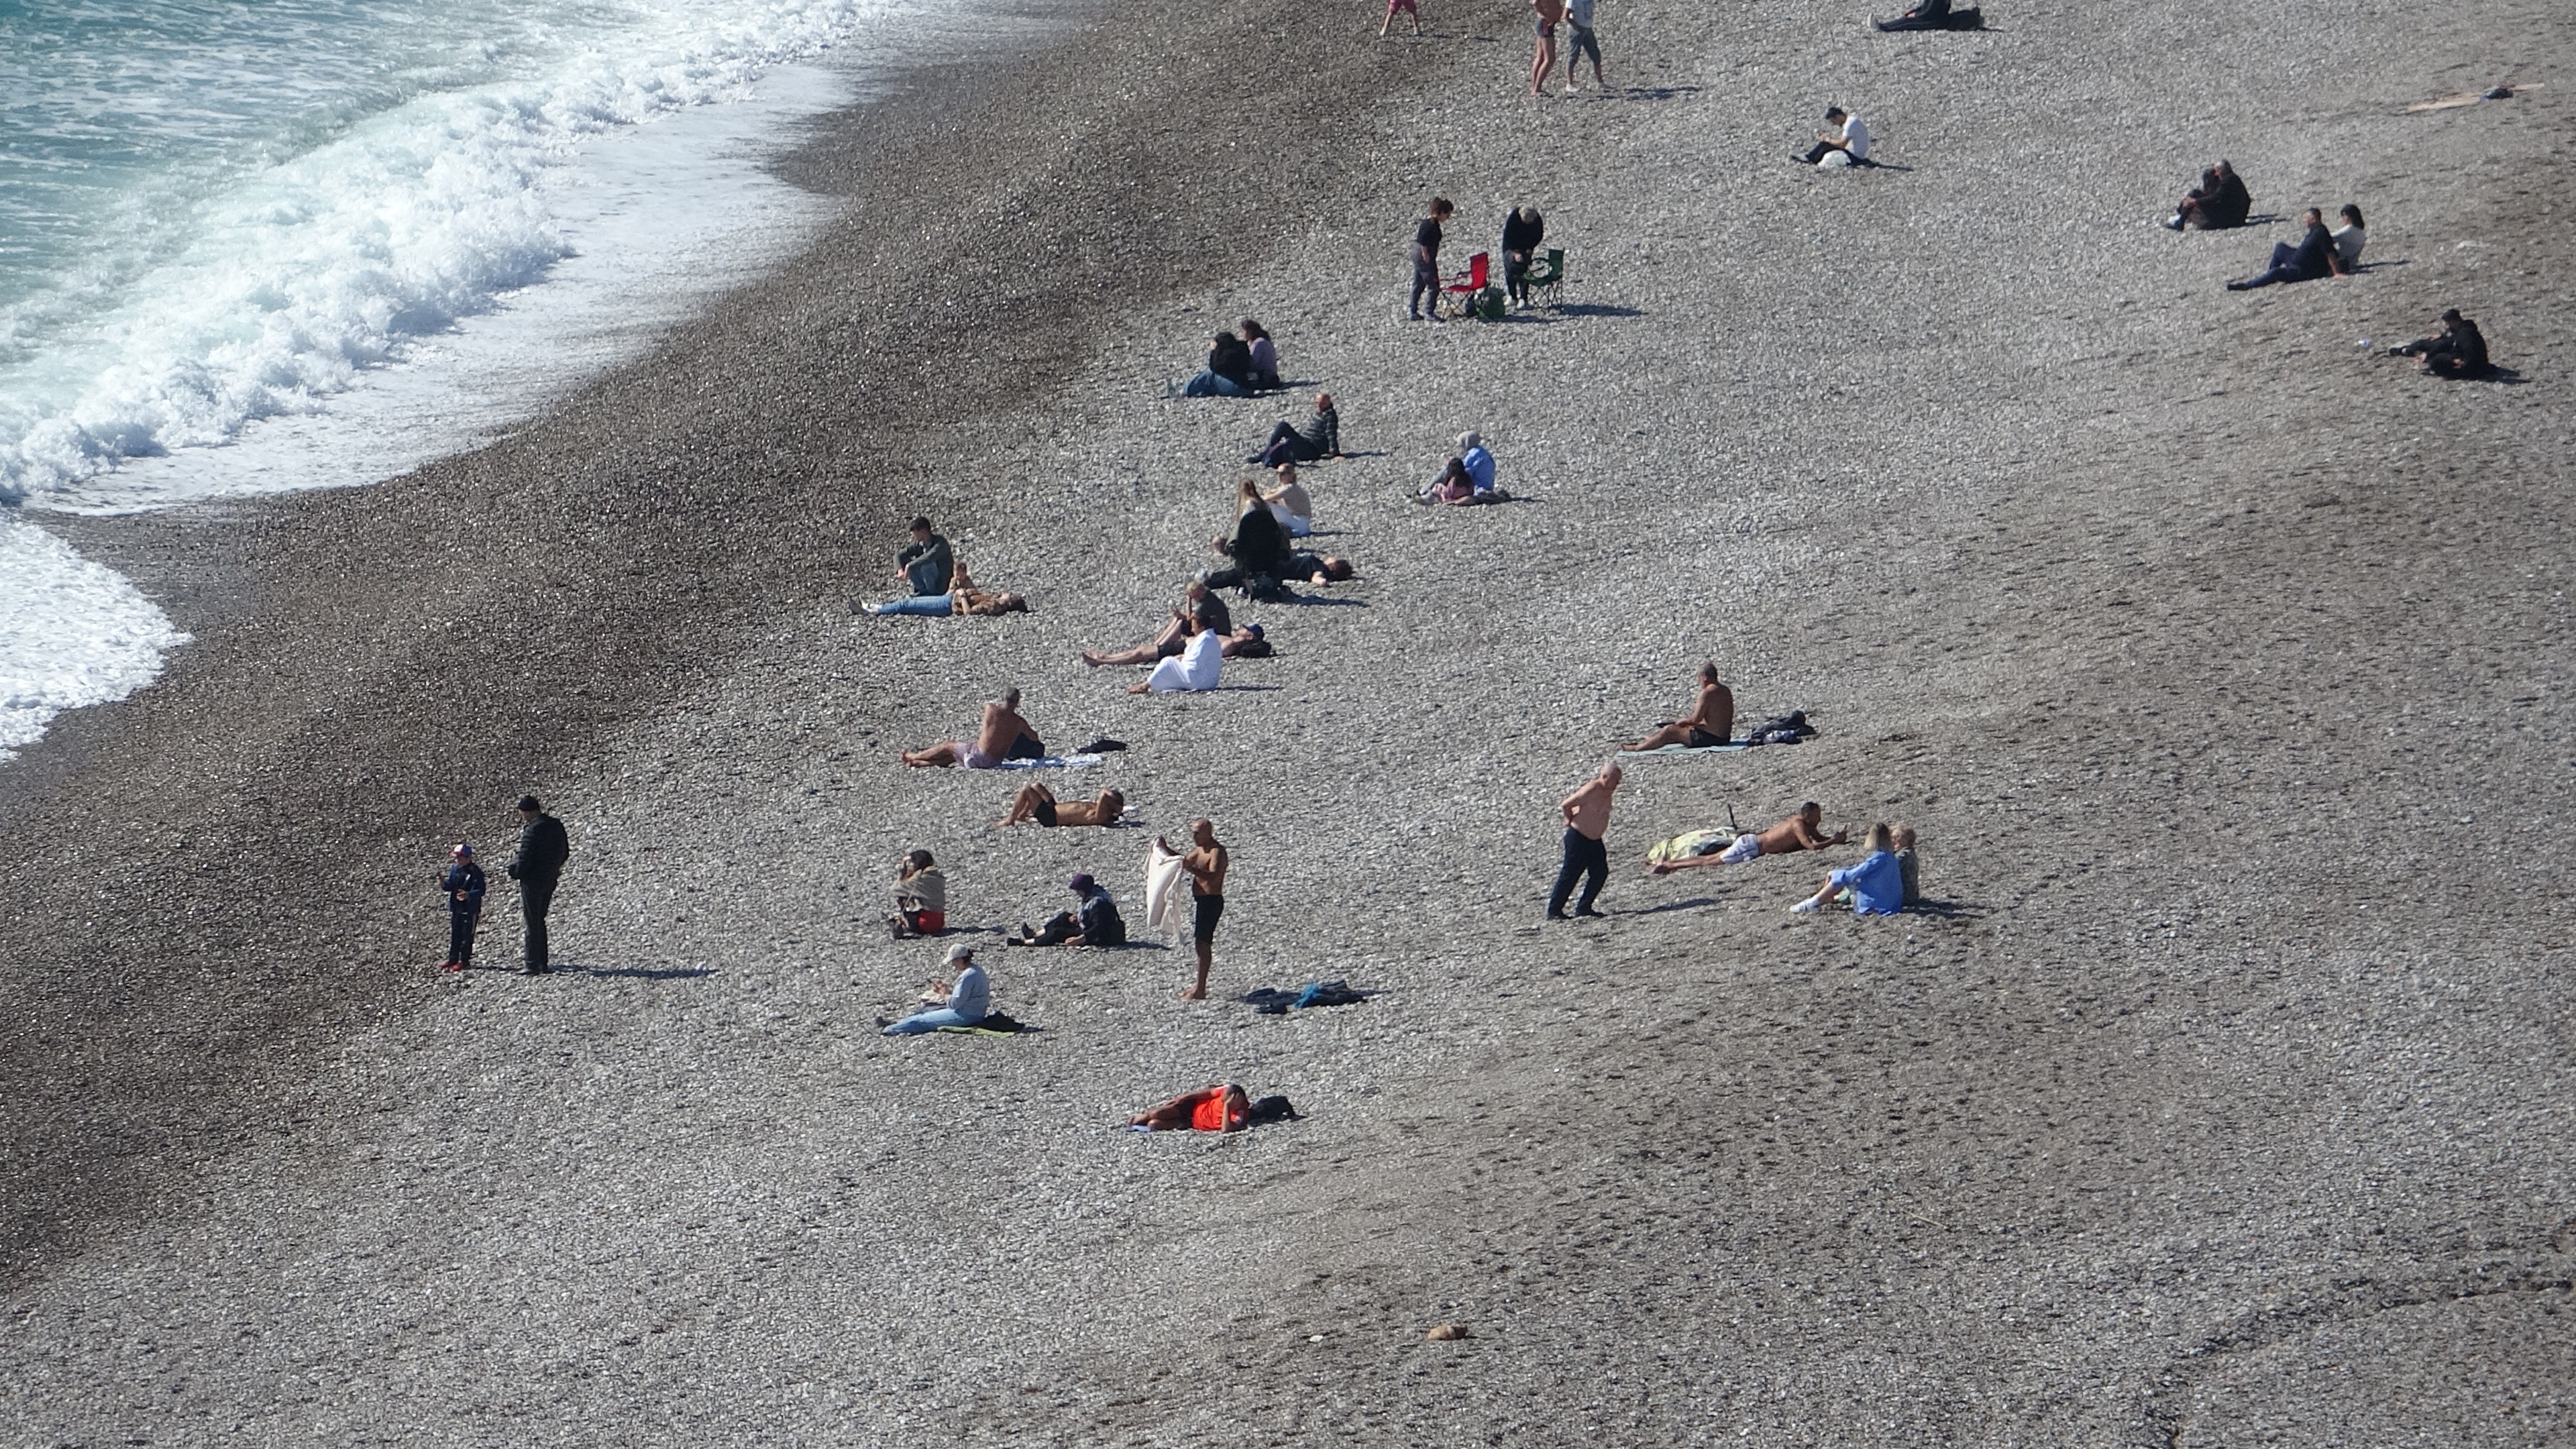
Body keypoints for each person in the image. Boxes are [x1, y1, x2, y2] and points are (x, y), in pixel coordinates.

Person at [1652, 802, 1845, 874]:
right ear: (1808, 815)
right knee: (1707, 862)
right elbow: (1811, 846)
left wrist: (1836, 839)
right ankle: (1669, 866)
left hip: (1750, 843)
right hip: (1751, 847)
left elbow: (1820, 838)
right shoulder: (1799, 825)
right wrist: (1834, 841)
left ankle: (1670, 863)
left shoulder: (1806, 824)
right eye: (1817, 815)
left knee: (1709, 859)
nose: (1820, 819)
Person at [1081, 581, 1232, 667]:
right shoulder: (1203, 636)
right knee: (1140, 651)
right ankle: (1105, 657)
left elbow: (1191, 618)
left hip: (1199, 639)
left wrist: (1188, 603)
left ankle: (1101, 660)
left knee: (1139, 653)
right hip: (1190, 641)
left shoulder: (1206, 607)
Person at [1547, 760, 1620, 919]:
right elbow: (1567, 804)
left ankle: (1584, 907)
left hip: (1594, 840)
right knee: (1571, 873)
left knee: (1600, 873)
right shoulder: (1593, 788)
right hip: (1578, 838)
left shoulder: (1607, 791)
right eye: (1616, 780)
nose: (1618, 784)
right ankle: (1554, 910)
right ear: (1605, 777)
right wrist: (1570, 819)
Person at [505, 794, 570, 973]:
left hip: (532, 882)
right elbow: (565, 852)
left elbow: (524, 859)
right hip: (550, 879)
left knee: (532, 921)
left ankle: (532, 964)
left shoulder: (532, 830)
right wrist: (553, 869)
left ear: (528, 812)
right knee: (540, 919)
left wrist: (514, 871)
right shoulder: (556, 825)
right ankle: (543, 962)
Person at [901, 686, 1041, 768]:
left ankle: (914, 756)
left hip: (978, 755)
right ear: (1017, 702)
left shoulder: (991, 709)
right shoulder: (1019, 722)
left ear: (1003, 698)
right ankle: (920, 763)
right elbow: (1034, 737)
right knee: (954, 756)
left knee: (948, 745)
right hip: (994, 762)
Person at [1169, 818, 1228, 999]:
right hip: (1202, 901)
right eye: (1192, 832)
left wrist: (1192, 869)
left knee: (1203, 945)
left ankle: (1201, 989)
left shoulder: (1217, 851)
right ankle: (1198, 985)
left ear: (1208, 833)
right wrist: (1164, 849)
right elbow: (1183, 861)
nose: (1193, 836)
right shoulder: (1200, 849)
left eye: (1197, 833)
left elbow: (1212, 876)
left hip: (1212, 901)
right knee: (1199, 944)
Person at [1792, 822, 1905, 916]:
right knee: (1841, 876)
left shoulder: (1879, 858)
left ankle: (1813, 902)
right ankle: (1819, 900)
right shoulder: (1889, 856)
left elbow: (1852, 875)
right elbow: (1863, 868)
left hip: (1878, 905)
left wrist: (1835, 873)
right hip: (1892, 903)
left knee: (1840, 878)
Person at [883, 943, 991, 1034]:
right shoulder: (976, 970)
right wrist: (947, 992)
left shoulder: (967, 976)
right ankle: (898, 1025)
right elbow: (966, 997)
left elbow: (955, 1004)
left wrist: (943, 993)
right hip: (976, 1013)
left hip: (967, 1015)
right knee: (925, 1012)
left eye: (954, 961)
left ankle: (889, 1030)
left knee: (919, 1020)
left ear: (960, 959)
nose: (953, 965)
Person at [1621, 663, 1734, 751]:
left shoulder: (1707, 693)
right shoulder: (1725, 690)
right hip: (1724, 738)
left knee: (1669, 731)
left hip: (1711, 739)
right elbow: (1714, 719)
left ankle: (1636, 748)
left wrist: (1682, 721)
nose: (1698, 681)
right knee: (1681, 733)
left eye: (1698, 677)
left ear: (1705, 677)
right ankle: (1651, 741)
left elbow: (1695, 719)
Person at [2226, 208, 2347, 289]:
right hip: (2296, 261)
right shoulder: (2315, 230)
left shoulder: (2321, 233)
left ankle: (2247, 285)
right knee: (2280, 247)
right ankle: (2268, 276)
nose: (2304, 222)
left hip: (2304, 271)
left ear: (2314, 220)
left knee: (2276, 273)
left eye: (2306, 219)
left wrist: (2336, 273)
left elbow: (2330, 253)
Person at [865, 559, 1030, 616]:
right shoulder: (995, 600)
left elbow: (970, 613)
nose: (1008, 592)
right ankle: (878, 607)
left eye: (1010, 594)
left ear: (1010, 601)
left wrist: (963, 595)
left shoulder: (995, 606)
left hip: (949, 605)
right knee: (911, 602)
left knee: (908, 605)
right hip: (950, 599)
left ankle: (877, 610)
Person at [1010, 873, 1128, 947]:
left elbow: (1099, 927)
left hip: (1102, 937)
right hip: (1091, 929)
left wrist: (1080, 939)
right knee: (1065, 917)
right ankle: (1035, 934)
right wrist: (1078, 918)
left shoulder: (1098, 904)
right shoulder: (1095, 894)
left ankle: (1026, 942)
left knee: (1058, 932)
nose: (1077, 893)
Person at [1132, 614, 1224, 694]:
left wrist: (1182, 660)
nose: (1192, 630)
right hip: (1209, 681)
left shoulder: (1205, 640)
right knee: (1172, 666)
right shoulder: (1211, 638)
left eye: (1194, 627)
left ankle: (1144, 686)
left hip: (1200, 682)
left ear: (1202, 628)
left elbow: (1194, 664)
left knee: (1168, 661)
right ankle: (1150, 685)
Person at [2392, 307, 2492, 378]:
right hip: (2471, 362)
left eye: (2448, 324)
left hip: (2471, 368)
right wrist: (2442, 336)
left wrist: (2462, 363)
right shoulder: (2464, 329)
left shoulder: (2465, 335)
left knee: (2437, 360)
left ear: (2453, 322)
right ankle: (2407, 350)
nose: (2447, 326)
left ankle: (2410, 352)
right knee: (2432, 344)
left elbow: (2471, 352)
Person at [1252, 392, 1344, 466]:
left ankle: (1274, 458)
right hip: (1306, 443)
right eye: (1317, 403)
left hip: (1313, 450)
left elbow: (1331, 434)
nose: (1319, 406)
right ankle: (1265, 454)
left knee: (1286, 433)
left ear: (1328, 403)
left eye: (1322, 404)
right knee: (1283, 431)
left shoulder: (1330, 416)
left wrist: (1336, 454)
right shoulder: (1320, 413)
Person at [438, 843, 485, 972]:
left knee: (467, 935)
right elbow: (451, 886)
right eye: (456, 858)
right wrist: (443, 883)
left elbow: (481, 890)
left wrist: (468, 895)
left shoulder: (475, 872)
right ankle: (452, 958)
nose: (458, 860)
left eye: (461, 858)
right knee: (455, 934)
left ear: (469, 858)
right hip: (456, 907)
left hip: (470, 909)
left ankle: (464, 960)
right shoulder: (455, 870)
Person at [2165, 160, 2250, 231]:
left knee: (2194, 197)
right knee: (2195, 193)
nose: (2215, 173)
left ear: (2220, 170)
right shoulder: (2233, 178)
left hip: (2231, 218)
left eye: (2216, 170)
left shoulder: (2227, 182)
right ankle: (2181, 217)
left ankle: (2180, 222)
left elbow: (2216, 197)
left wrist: (2195, 202)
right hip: (2236, 215)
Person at [997, 783, 1128, 828]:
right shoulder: (1098, 808)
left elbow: (1104, 795)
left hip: (1051, 818)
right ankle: (1022, 816)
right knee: (1036, 786)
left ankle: (1010, 820)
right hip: (1054, 807)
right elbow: (1104, 798)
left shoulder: (1100, 816)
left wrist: (1107, 793)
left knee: (1027, 790)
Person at [1128, 1083, 1250, 1132]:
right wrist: (1184, 1097)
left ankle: (1142, 1124)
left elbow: (1226, 1130)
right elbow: (1209, 1092)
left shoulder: (1240, 1113)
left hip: (1192, 1123)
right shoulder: (1226, 1090)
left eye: (1225, 1101)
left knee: (1154, 1125)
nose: (1222, 1102)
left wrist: (1228, 1107)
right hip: (1193, 1107)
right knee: (1156, 1114)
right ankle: (1141, 1117)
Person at [1409, 199, 1453, 321]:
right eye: (1447, 214)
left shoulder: (1428, 223)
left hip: (1418, 253)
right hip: (1424, 255)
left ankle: (1412, 311)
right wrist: (1426, 255)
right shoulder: (1431, 225)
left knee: (1418, 282)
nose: (1448, 218)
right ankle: (1429, 312)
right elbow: (1424, 240)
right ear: (1441, 212)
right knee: (1433, 284)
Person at [891, 849, 946, 938]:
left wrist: (902, 871)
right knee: (916, 896)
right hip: (940, 922)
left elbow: (895, 890)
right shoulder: (937, 876)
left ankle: (906, 923)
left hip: (925, 923)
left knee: (903, 897)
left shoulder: (919, 878)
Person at [1182, 329, 1254, 397]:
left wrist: (1214, 351)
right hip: (1249, 387)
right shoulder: (1241, 349)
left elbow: (1214, 367)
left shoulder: (1227, 354)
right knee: (1211, 378)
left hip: (1237, 389)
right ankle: (1193, 388)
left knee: (1210, 374)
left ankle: (1188, 389)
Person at [895, 517, 954, 597]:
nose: (913, 536)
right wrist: (900, 570)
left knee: (925, 564)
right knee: (908, 561)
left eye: (915, 533)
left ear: (923, 532)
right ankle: (922, 591)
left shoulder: (940, 543)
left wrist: (910, 566)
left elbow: (929, 557)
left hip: (942, 585)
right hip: (927, 583)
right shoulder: (918, 544)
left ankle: (933, 593)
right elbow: (899, 555)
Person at [1799, 107, 1871, 167]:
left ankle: (1810, 159)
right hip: (1856, 154)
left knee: (1825, 144)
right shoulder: (1851, 122)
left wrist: (1828, 139)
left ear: (1837, 117)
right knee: (1827, 144)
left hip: (1854, 157)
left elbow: (1842, 144)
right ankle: (1811, 159)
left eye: (1834, 121)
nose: (1835, 124)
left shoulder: (1850, 124)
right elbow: (1841, 140)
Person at [1501, 208, 1546, 305]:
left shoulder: (1536, 219)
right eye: (1525, 221)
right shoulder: (1513, 218)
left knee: (1524, 268)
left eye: (1530, 221)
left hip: (1526, 247)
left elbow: (1538, 235)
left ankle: (1523, 298)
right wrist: (1515, 253)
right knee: (1510, 268)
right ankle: (1512, 296)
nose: (1528, 224)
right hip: (1510, 247)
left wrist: (1530, 248)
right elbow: (1508, 238)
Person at [1264, 461, 1313, 536]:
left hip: (1298, 523)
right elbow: (1273, 492)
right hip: (1303, 525)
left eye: (1283, 474)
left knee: (1269, 503)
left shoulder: (1289, 489)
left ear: (1291, 475)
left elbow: (1267, 499)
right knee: (1275, 502)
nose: (1279, 476)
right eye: (1277, 473)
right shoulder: (1291, 487)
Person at [1562, 0, 1603, 90]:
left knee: (1595, 54)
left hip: (1588, 28)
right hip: (1577, 29)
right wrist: (1575, 25)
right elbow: (1566, 15)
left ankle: (1600, 82)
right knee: (1574, 55)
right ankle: (1569, 84)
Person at [1528, 0, 1564, 96]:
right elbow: (1535, 3)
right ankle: (1537, 88)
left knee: (1540, 57)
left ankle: (1534, 87)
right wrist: (1543, 14)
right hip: (1545, 23)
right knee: (1550, 58)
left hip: (1546, 22)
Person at [1241, 320, 1281, 391]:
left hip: (1265, 378)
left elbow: (1252, 363)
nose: (1243, 334)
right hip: (1273, 377)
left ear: (1249, 332)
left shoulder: (1257, 344)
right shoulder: (1265, 340)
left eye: (1243, 332)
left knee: (1241, 377)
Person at [1458, 432, 1497, 496]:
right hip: (1488, 487)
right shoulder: (1482, 452)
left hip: (1477, 488)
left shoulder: (1473, 455)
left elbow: (1464, 472)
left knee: (1449, 469)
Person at [2330, 204, 2367, 272]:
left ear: (2351, 216)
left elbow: (2329, 238)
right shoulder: (2361, 232)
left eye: (2344, 216)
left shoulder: (2349, 230)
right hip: (2352, 262)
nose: (2343, 219)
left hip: (2342, 263)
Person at [1892, 825, 1922, 907]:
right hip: (1910, 895)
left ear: (1907, 840)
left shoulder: (1905, 855)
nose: (1894, 840)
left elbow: (1889, 869)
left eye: (1896, 837)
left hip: (1905, 896)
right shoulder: (1907, 853)